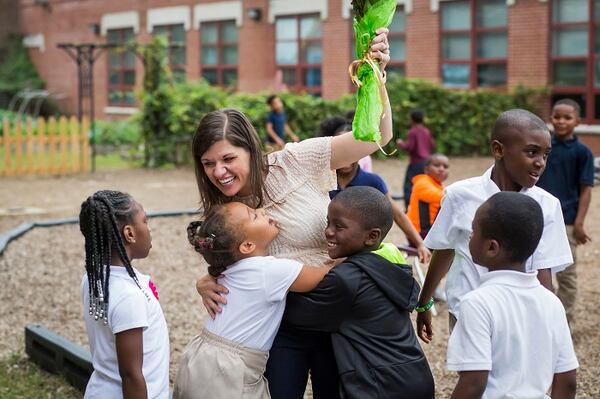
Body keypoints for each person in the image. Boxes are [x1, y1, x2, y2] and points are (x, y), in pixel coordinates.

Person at [194, 28, 392, 399]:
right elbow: (229, 264)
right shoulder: (224, 211)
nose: (218, 172)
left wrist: (376, 74)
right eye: (208, 164)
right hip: (280, 329)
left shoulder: (296, 160)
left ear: (251, 150)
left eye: (228, 159)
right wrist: (204, 281)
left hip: (338, 317)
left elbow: (376, 136)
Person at [415, 109, 573, 343]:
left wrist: (547, 327)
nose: (540, 163)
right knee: (474, 378)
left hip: (520, 319)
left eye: (546, 154)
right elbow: (446, 248)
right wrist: (424, 302)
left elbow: (543, 272)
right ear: (498, 150)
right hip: (466, 313)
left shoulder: (547, 206)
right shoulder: (460, 195)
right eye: (531, 152)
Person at [283, 186, 435, 399]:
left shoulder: (346, 279)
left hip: (379, 385)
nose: (328, 231)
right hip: (414, 373)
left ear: (371, 236)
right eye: (328, 222)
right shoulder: (389, 262)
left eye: (339, 226)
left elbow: (296, 314)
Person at [173, 202, 332, 399]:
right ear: (247, 246)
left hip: (198, 355)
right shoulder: (270, 271)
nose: (262, 211)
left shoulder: (226, 268)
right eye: (254, 215)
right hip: (231, 368)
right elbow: (323, 275)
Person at [448, 192, 578, 399]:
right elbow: (568, 381)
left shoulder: (476, 302)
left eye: (473, 231)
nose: (470, 236)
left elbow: (473, 381)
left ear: (491, 247)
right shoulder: (552, 302)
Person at [78, 190, 169, 399]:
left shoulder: (94, 276)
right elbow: (131, 375)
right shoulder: (128, 297)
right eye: (145, 221)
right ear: (129, 234)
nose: (149, 228)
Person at [321, 115, 431, 262]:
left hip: (358, 257)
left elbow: (397, 214)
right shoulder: (320, 180)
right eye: (340, 149)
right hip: (323, 252)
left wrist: (420, 244)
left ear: (360, 151)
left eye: (350, 149)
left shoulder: (372, 181)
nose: (345, 155)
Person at [537, 99, 595, 325]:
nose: (561, 121)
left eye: (567, 117)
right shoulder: (542, 147)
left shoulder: (583, 152)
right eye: (557, 116)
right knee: (536, 271)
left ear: (577, 121)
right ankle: (541, 320)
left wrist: (579, 223)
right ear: (550, 118)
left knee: (567, 275)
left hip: (567, 221)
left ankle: (563, 323)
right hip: (536, 218)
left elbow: (586, 189)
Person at [396, 109, 435, 209]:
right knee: (424, 183)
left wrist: (401, 143)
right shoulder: (426, 131)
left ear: (412, 119)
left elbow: (410, 147)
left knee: (409, 185)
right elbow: (432, 145)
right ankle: (423, 207)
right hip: (427, 162)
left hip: (416, 162)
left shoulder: (413, 132)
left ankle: (409, 207)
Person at [407, 153, 450, 240]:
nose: (441, 169)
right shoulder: (422, 183)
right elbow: (444, 197)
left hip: (429, 232)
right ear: (426, 169)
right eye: (437, 165)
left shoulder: (438, 185)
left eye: (445, 167)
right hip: (419, 235)